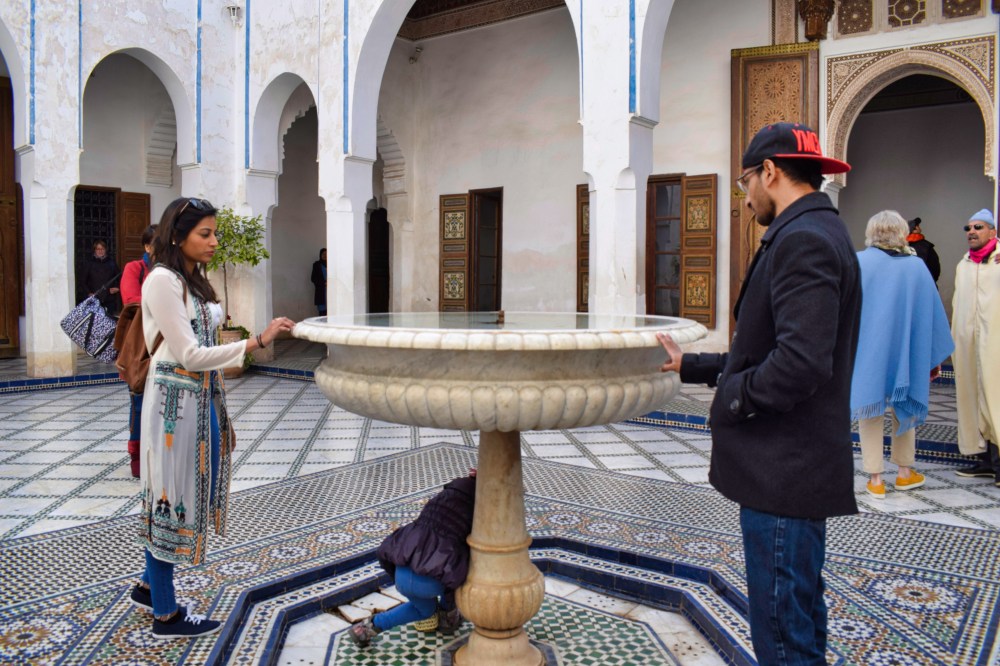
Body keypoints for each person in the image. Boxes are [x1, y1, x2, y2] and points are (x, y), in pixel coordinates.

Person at [656, 122, 860, 665]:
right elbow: (770, 346)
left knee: (782, 633)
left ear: (769, 172)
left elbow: (799, 364)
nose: (745, 199)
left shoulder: (804, 240)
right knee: (796, 614)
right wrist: (694, 365)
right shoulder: (818, 230)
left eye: (745, 182)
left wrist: (732, 398)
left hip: (783, 476)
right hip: (795, 470)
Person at [128, 196, 295, 638]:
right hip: (173, 407)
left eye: (215, 232)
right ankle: (165, 614)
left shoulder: (191, 278)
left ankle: (148, 587)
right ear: (178, 236)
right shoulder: (162, 280)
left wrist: (223, 412)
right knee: (169, 500)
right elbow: (190, 353)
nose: (214, 241)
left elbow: (200, 355)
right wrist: (256, 341)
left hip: (199, 400)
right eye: (206, 234)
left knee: (184, 492)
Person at [851, 210, 954, 499]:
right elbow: (930, 314)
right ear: (901, 232)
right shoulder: (916, 266)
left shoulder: (859, 262)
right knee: (904, 403)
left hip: (868, 348)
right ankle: (905, 473)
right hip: (906, 348)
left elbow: (845, 307)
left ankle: (874, 478)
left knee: (869, 408)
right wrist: (930, 359)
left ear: (872, 232)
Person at [348, 469, 477, 647]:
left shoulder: (447, 494)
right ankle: (448, 619)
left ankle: (364, 629)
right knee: (462, 568)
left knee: (423, 609)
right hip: (431, 580)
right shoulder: (480, 507)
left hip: (402, 575)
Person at [952, 208, 1000, 484]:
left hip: (995, 347)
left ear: (992, 232)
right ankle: (984, 461)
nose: (971, 232)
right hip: (969, 347)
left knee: (996, 400)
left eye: (978, 227)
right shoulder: (964, 264)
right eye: (968, 228)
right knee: (973, 400)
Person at [120, 224, 158, 478]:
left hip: (164, 346)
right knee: (139, 400)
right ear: (147, 246)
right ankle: (138, 459)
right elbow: (131, 300)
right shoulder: (135, 268)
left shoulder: (172, 271)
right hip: (140, 347)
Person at [80, 239, 121, 315]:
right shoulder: (89, 264)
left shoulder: (111, 263)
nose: (100, 251)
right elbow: (83, 281)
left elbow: (120, 278)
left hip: (109, 299)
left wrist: (117, 288)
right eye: (98, 249)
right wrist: (89, 293)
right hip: (93, 299)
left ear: (105, 250)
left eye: (102, 249)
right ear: (94, 250)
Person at [906, 217, 941, 284]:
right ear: (915, 229)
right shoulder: (926, 247)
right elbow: (935, 269)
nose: (919, 227)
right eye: (917, 226)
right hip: (927, 287)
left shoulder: (901, 248)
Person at [311, 248, 327, 316]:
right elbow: (313, 278)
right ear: (320, 255)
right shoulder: (317, 265)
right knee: (322, 313)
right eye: (323, 254)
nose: (325, 255)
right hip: (321, 292)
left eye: (326, 254)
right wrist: (323, 283)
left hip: (331, 291)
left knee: (331, 312)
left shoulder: (332, 264)